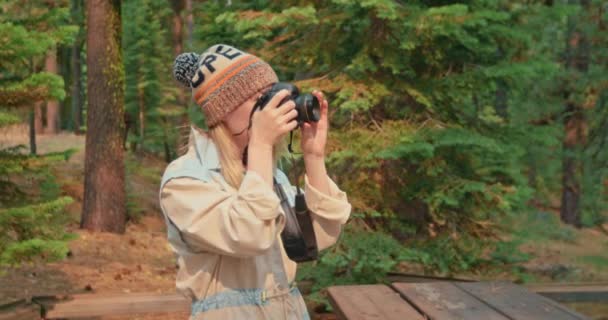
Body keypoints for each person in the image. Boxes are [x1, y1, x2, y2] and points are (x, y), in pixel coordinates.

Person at [159, 44, 352, 320]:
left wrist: (314, 155)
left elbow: (320, 238)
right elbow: (250, 235)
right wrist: (261, 144)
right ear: (223, 109)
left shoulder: (268, 173)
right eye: (258, 100)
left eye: (271, 96)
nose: (271, 110)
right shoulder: (185, 179)